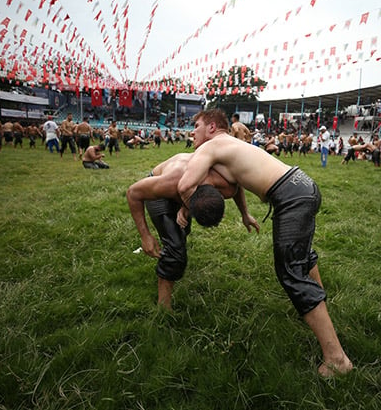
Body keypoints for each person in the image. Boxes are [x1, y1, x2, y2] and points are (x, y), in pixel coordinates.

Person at [177, 109, 353, 377]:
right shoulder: (231, 144)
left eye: (197, 125)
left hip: (291, 196)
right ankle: (319, 306)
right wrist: (246, 214)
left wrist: (187, 208)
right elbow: (237, 185)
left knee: (290, 272)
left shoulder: (211, 146)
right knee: (301, 256)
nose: (193, 131)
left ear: (212, 127)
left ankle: (337, 360)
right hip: (303, 184)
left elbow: (185, 185)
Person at [127, 152, 259, 310]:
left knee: (182, 232)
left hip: (187, 191)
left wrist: (245, 214)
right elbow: (133, 193)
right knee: (175, 247)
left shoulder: (226, 184)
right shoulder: (169, 183)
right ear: (190, 201)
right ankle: (163, 307)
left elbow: (236, 189)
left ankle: (173, 249)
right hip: (160, 195)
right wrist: (145, 236)